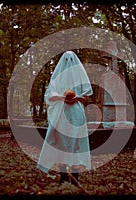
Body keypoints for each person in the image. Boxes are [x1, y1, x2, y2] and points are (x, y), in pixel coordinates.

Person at [37, 51, 93, 186]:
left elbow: (87, 96)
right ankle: (63, 176)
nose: (69, 62)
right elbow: (50, 96)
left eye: (71, 59)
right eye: (66, 59)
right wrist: (63, 98)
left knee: (76, 144)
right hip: (61, 114)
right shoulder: (57, 78)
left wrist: (77, 98)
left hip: (76, 115)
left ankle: (75, 177)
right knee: (61, 143)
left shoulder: (80, 78)